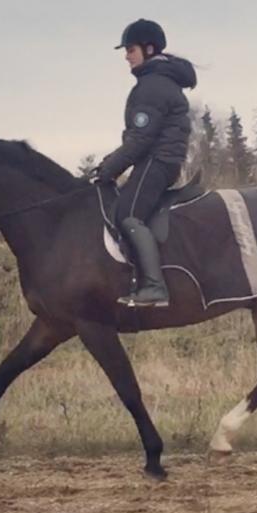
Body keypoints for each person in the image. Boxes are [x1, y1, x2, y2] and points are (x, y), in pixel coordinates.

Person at [97, 19, 197, 307]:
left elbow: (140, 141)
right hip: (159, 159)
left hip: (158, 161)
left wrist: (109, 170)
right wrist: (110, 162)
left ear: (148, 48)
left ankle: (154, 287)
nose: (126, 56)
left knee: (126, 214)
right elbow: (137, 139)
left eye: (130, 49)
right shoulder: (157, 81)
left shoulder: (152, 85)